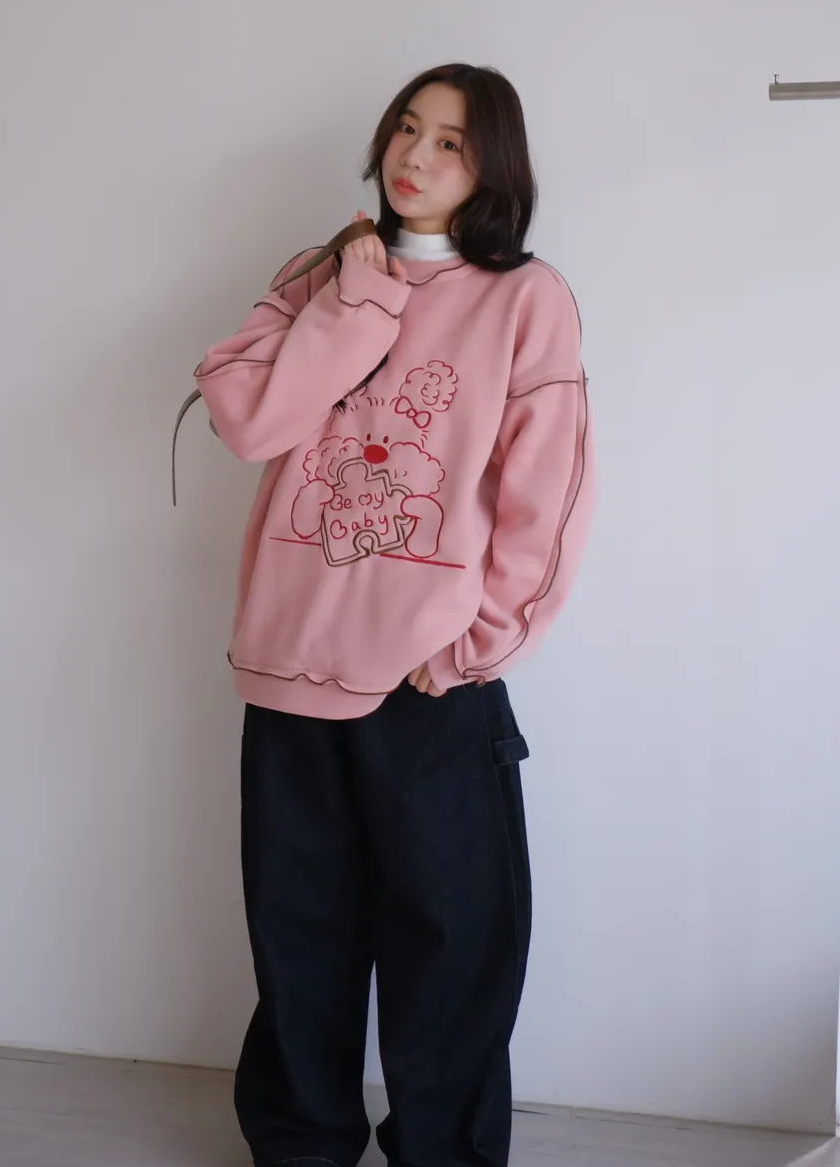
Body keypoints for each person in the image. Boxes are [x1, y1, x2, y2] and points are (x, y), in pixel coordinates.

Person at [194, 62, 596, 1167]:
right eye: (407, 129)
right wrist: (357, 300)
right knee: (299, 944)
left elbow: (549, 493)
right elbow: (248, 422)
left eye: (451, 142)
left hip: (430, 678)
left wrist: (480, 642)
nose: (416, 157)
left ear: (493, 166)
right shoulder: (319, 276)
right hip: (290, 664)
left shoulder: (525, 299)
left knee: (456, 948)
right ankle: (301, 1150)